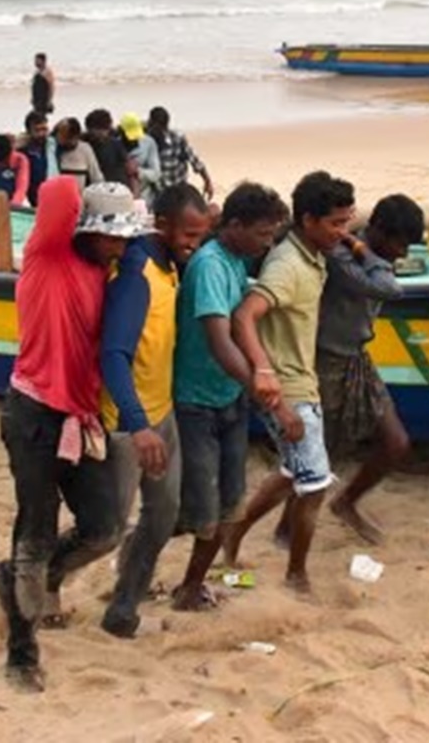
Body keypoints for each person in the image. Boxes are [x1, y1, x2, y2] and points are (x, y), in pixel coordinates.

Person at [0, 178, 148, 692]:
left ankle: (16, 579)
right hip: (32, 413)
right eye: (111, 235)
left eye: (126, 236)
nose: (120, 245)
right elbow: (56, 189)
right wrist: (96, 182)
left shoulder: (108, 273)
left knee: (104, 527)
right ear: (85, 228)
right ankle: (21, 653)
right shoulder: (47, 254)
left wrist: (130, 215)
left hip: (81, 418)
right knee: (33, 534)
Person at [222, 171, 356, 593]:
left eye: (347, 222)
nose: (343, 232)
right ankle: (296, 575)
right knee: (314, 484)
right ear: (308, 220)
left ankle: (232, 534)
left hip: (301, 383)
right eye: (335, 223)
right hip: (289, 389)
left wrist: (351, 241)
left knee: (290, 471)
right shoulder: (288, 265)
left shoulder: (311, 254)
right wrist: (264, 372)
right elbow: (245, 314)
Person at [99, 183, 212, 638]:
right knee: (105, 529)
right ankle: (38, 583)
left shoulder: (171, 268)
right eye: (188, 235)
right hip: (129, 426)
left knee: (163, 516)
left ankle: (123, 610)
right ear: (160, 225)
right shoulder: (136, 275)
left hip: (163, 414)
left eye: (201, 236)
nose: (194, 244)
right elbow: (113, 355)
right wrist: (138, 425)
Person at [168, 182, 288, 613]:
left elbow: (243, 328)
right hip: (196, 400)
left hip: (228, 399)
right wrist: (261, 386)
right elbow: (219, 339)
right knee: (199, 511)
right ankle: (138, 566)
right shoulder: (211, 266)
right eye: (262, 234)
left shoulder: (237, 261)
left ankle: (190, 587)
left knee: (228, 502)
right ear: (234, 226)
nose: (267, 242)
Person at [308, 193, 426, 544]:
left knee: (396, 442)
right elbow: (389, 288)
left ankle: (346, 502)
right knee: (319, 456)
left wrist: (368, 253)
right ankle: (287, 527)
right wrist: (363, 252)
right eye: (399, 245)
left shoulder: (364, 249)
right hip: (326, 359)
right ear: (376, 231)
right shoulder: (342, 256)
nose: (403, 254)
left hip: (358, 356)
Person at [145, 107, 216, 201]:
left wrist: (207, 182)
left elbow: (195, 161)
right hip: (156, 192)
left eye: (151, 123)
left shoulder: (177, 138)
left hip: (178, 189)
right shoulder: (146, 140)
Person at [49, 117, 105, 191]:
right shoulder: (52, 149)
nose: (67, 142)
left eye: (69, 139)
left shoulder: (85, 149)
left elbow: (96, 177)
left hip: (79, 198)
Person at [83, 109, 131, 188]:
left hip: (116, 188)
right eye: (97, 130)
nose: (101, 133)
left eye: (104, 129)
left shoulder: (116, 144)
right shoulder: (83, 144)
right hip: (92, 190)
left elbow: (129, 169)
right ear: (89, 129)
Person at [120, 113, 160, 206]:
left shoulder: (149, 143)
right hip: (123, 197)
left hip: (146, 197)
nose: (134, 140)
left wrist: (138, 171)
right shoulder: (115, 145)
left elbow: (156, 174)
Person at [17, 111, 52, 206]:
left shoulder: (53, 147)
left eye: (44, 129)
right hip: (35, 198)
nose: (42, 134)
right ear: (29, 132)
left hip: (55, 193)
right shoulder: (23, 152)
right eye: (37, 130)